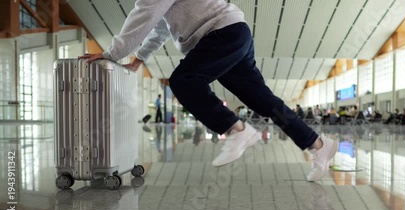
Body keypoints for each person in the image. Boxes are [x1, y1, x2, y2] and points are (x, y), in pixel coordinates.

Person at [79, 0, 337, 181]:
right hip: (233, 33)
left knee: (184, 80)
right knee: (264, 102)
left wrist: (111, 54)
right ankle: (319, 145)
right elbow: (158, 28)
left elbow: (143, 16)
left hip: (220, 33)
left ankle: (238, 130)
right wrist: (139, 59)